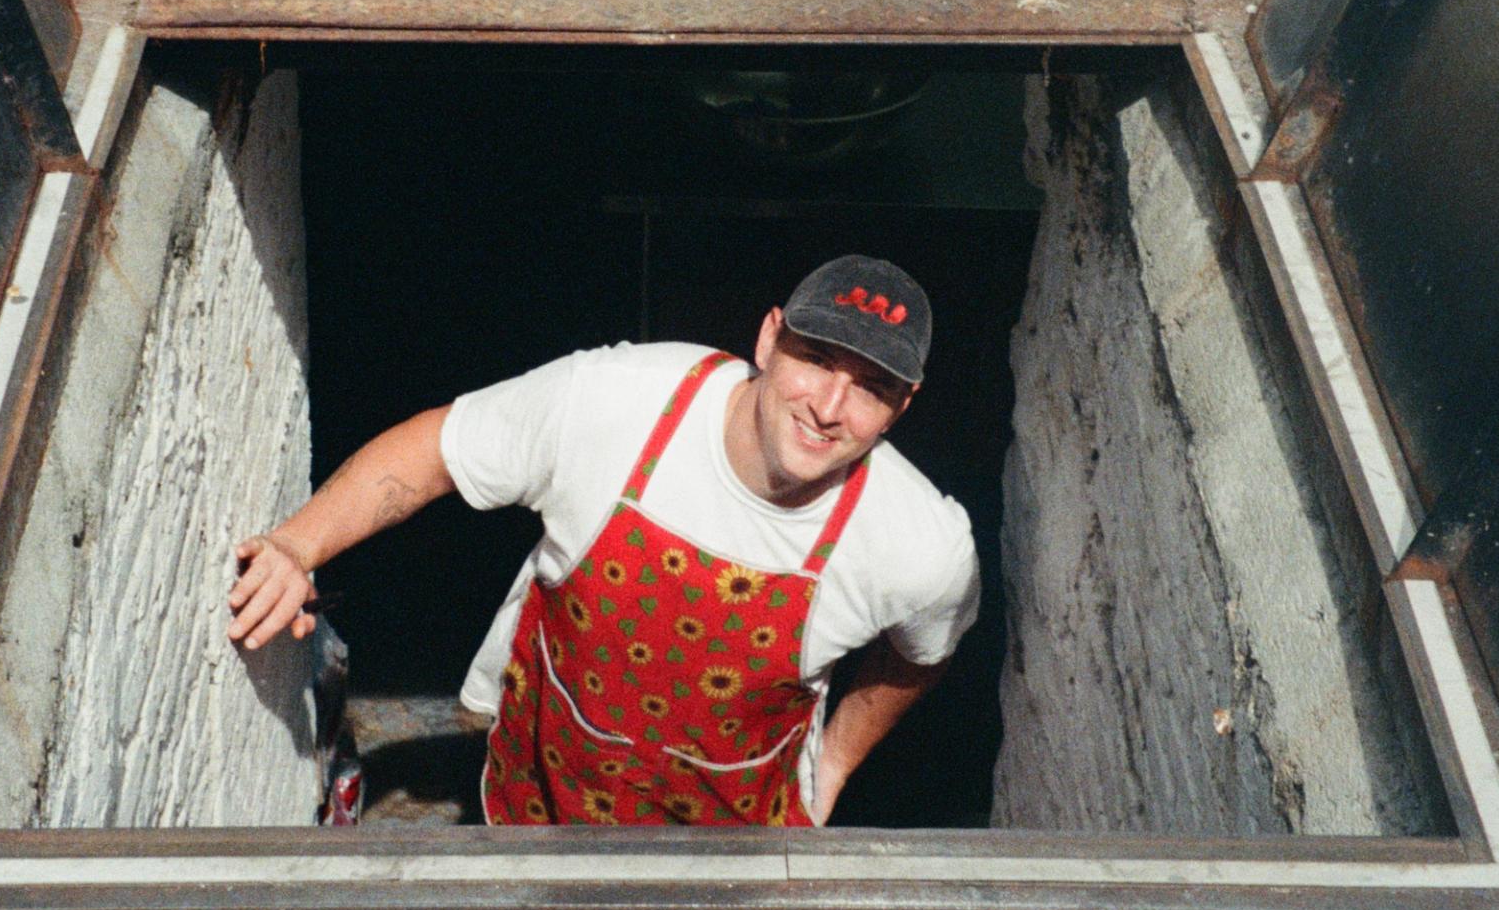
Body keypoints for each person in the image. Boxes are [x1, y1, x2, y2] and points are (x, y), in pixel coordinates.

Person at [228, 255, 979, 829]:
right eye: (816, 359)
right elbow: (435, 450)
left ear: (902, 406)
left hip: (736, 837)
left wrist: (836, 766)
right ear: (769, 336)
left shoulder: (919, 544)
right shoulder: (613, 402)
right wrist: (298, 545)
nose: (829, 407)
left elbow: (923, 650)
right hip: (545, 789)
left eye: (871, 386)